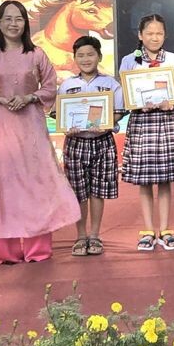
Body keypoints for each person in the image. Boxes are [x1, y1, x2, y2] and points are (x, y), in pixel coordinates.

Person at [0, 0, 80, 264]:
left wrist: (30, 97)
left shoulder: (37, 54)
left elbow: (50, 86)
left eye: (18, 19)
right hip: (2, 126)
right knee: (4, 183)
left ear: (25, 23)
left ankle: (37, 248)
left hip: (31, 125)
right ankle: (6, 251)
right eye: (7, 19)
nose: (13, 24)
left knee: (36, 182)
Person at [119, 14, 174, 252]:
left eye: (159, 33)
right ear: (140, 35)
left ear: (165, 35)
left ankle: (166, 229)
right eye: (149, 33)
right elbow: (126, 93)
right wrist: (137, 103)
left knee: (165, 178)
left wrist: (173, 100)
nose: (154, 37)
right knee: (145, 179)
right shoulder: (130, 61)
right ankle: (148, 230)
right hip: (142, 120)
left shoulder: (173, 59)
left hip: (166, 119)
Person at [56, 35, 126, 257]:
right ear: (74, 58)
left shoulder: (111, 84)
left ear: (99, 56)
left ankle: (94, 235)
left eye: (90, 54)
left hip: (102, 142)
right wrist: (67, 126)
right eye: (81, 55)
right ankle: (80, 236)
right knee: (78, 192)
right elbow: (60, 114)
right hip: (75, 143)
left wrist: (104, 124)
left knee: (98, 190)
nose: (86, 59)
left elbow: (118, 112)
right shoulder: (67, 85)